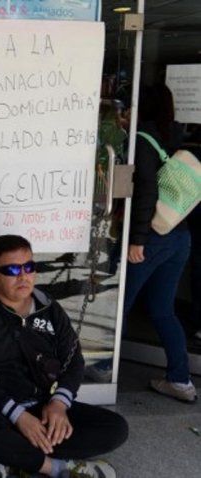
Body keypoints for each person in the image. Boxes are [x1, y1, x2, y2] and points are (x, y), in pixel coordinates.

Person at [0, 235, 128, 478]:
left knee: (115, 428)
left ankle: (13, 457)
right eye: (12, 270)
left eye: (29, 267)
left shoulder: (48, 307)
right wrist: (18, 416)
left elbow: (74, 361)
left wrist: (59, 404)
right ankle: (57, 467)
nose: (23, 276)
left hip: (42, 405)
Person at [126, 85, 194, 401]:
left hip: (153, 237)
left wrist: (137, 240)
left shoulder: (143, 139)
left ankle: (96, 369)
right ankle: (180, 380)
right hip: (179, 235)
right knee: (162, 309)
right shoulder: (175, 135)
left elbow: (146, 192)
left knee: (119, 306)